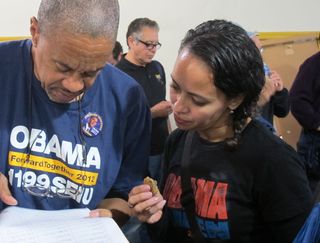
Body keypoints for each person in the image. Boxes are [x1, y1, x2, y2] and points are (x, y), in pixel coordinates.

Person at [0, 0, 151, 242]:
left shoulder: (126, 99)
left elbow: (123, 193)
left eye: (91, 72)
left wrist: (111, 215)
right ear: (35, 32)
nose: (74, 85)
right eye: (63, 67)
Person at [128, 19, 312, 242]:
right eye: (176, 87)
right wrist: (154, 216)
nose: (178, 106)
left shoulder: (273, 160)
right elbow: (170, 232)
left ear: (234, 99)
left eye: (197, 100)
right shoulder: (177, 142)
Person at [116, 17, 172, 183]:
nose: (153, 50)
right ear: (131, 41)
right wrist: (153, 113)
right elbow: (117, 119)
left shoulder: (157, 68)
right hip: (134, 152)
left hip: (161, 148)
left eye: (156, 44)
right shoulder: (117, 75)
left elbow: (164, 110)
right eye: (148, 44)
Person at [290, 51, 320, 191]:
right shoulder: (314, 64)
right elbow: (297, 100)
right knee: (310, 197)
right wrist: (316, 123)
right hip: (315, 143)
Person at [249, 32, 290, 134]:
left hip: (266, 136)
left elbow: (282, 111)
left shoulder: (264, 70)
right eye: (255, 50)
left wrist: (280, 91)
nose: (260, 54)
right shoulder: (234, 78)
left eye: (260, 49)